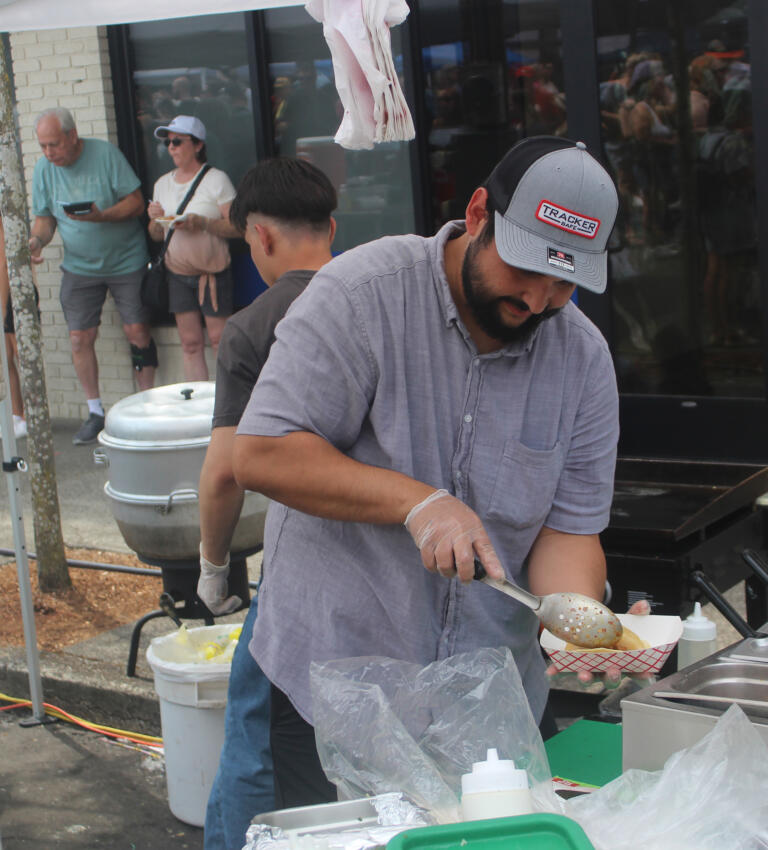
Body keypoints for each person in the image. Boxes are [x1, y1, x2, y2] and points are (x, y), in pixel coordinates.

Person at [231, 136, 621, 808]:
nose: (535, 300)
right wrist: (419, 503)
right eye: (524, 268)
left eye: (564, 283)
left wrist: (574, 618)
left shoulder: (582, 361)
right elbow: (261, 452)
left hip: (488, 710)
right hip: (335, 688)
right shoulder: (363, 293)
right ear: (477, 214)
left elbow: (568, 530)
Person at [198, 157, 337, 850]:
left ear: (259, 239)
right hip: (405, 563)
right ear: (332, 227)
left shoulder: (255, 326)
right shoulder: (381, 301)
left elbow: (225, 475)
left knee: (252, 731)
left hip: (302, 575)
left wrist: (213, 568)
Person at [29, 107, 157, 446]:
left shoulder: (105, 155)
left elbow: (136, 203)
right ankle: (95, 410)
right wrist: (35, 241)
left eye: (53, 144)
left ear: (72, 135)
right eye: (42, 146)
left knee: (137, 330)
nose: (48, 153)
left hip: (125, 260)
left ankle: (148, 405)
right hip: (79, 266)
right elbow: (44, 218)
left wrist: (102, 217)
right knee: (78, 339)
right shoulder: (44, 169)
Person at [147, 116, 241, 381]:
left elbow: (236, 227)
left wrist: (201, 223)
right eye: (168, 142)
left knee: (219, 340)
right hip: (176, 272)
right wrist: (155, 218)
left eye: (177, 141)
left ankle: (226, 404)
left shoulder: (216, 179)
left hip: (212, 271)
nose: (171, 148)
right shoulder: (162, 183)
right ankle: (198, 404)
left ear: (198, 145)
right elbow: (155, 235)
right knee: (189, 343)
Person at [0, 217, 36, 439]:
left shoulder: (5, 219)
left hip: (13, 294)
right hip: (4, 297)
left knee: (22, 356)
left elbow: (4, 262)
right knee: (6, 357)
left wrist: (2, 306)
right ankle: (16, 414)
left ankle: (30, 415)